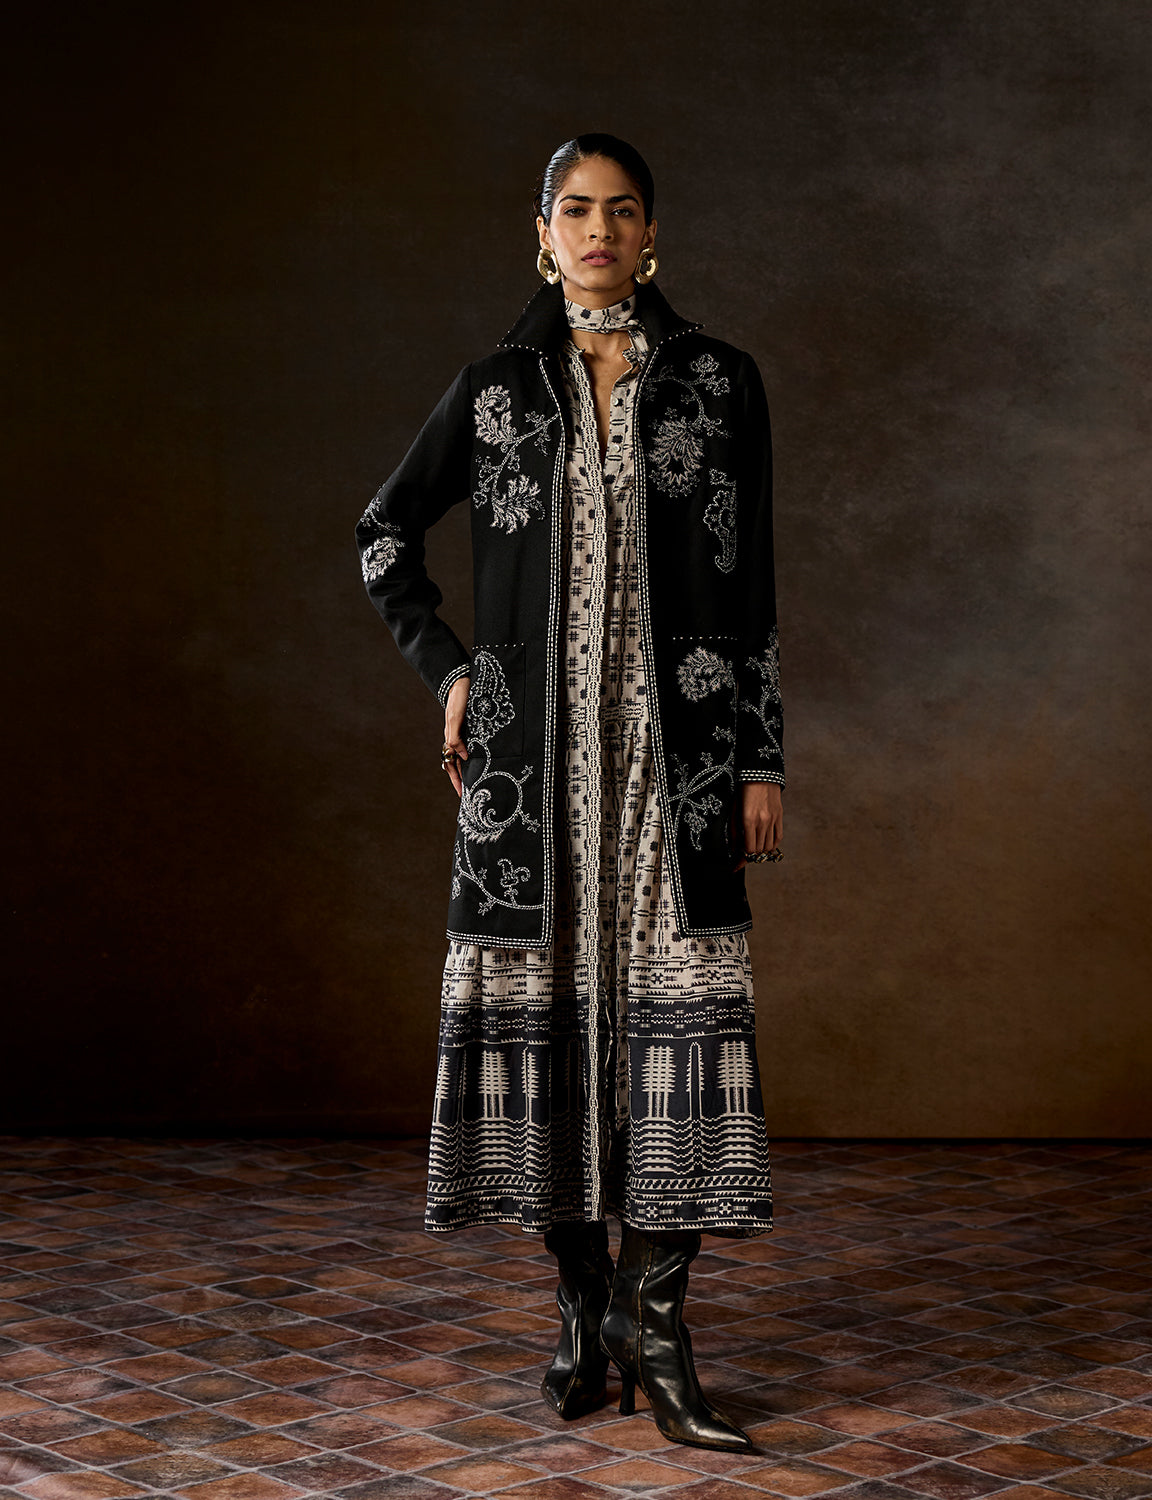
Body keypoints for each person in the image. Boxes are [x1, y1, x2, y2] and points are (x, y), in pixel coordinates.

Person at [356, 133, 784, 1453]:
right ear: (541, 235)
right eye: (577, 210)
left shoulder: (718, 382)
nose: (600, 230)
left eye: (624, 210)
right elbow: (384, 537)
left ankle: (659, 1329)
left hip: (675, 763)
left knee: (673, 1033)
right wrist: (451, 674)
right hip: (530, 779)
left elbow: (754, 589)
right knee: (550, 1031)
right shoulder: (497, 392)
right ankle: (584, 1311)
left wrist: (760, 757)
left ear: (652, 237)